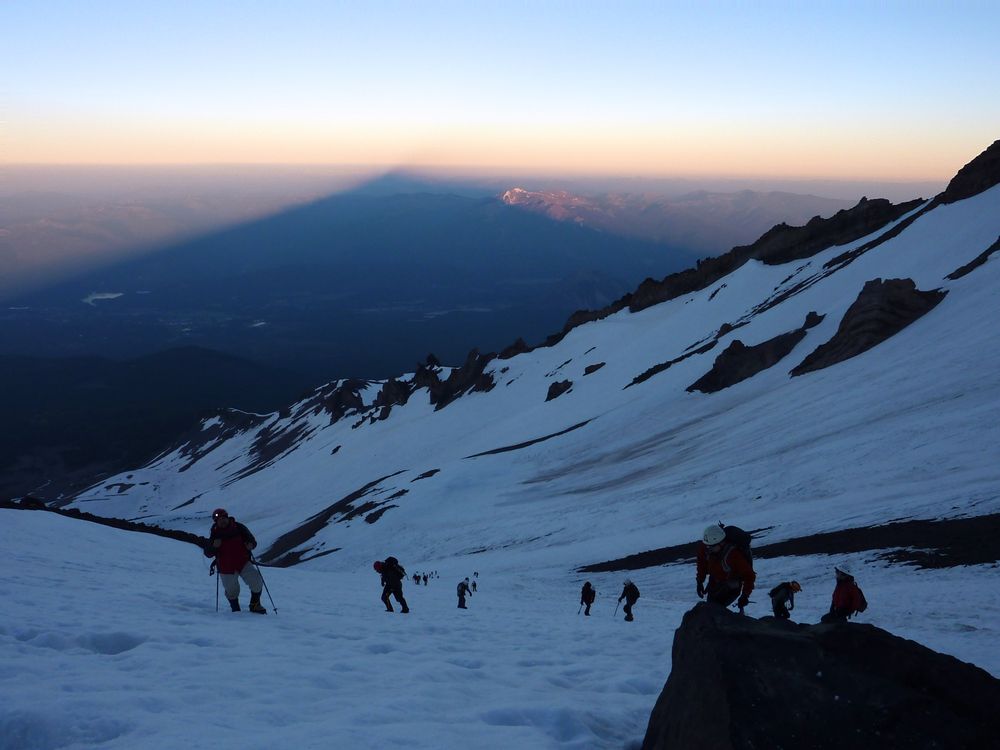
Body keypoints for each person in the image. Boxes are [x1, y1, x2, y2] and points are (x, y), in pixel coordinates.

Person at [203, 508, 266, 614]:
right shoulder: (214, 533)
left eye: (224, 518)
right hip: (225, 566)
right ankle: (236, 610)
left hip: (243, 562)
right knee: (232, 590)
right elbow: (208, 553)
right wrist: (214, 547)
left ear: (227, 518)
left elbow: (252, 541)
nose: (222, 521)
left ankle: (255, 605)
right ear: (216, 521)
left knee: (257, 581)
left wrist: (251, 545)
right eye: (219, 519)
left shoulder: (239, 527)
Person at [696, 524, 755, 613]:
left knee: (715, 610)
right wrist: (700, 581)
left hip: (731, 587)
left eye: (712, 546)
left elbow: (749, 575)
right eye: (707, 546)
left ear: (721, 543)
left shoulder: (733, 555)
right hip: (715, 582)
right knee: (711, 608)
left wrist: (745, 595)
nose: (709, 549)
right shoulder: (708, 545)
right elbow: (702, 562)